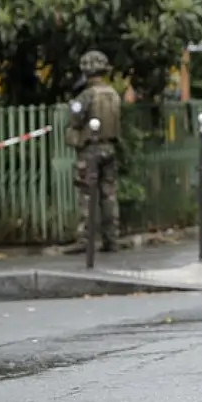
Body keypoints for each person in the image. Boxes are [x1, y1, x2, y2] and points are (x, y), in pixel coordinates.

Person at [65, 50, 122, 254]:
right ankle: (111, 239)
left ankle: (84, 240)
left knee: (87, 194)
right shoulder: (113, 94)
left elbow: (75, 119)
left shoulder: (87, 95)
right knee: (109, 194)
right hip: (110, 147)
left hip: (90, 149)